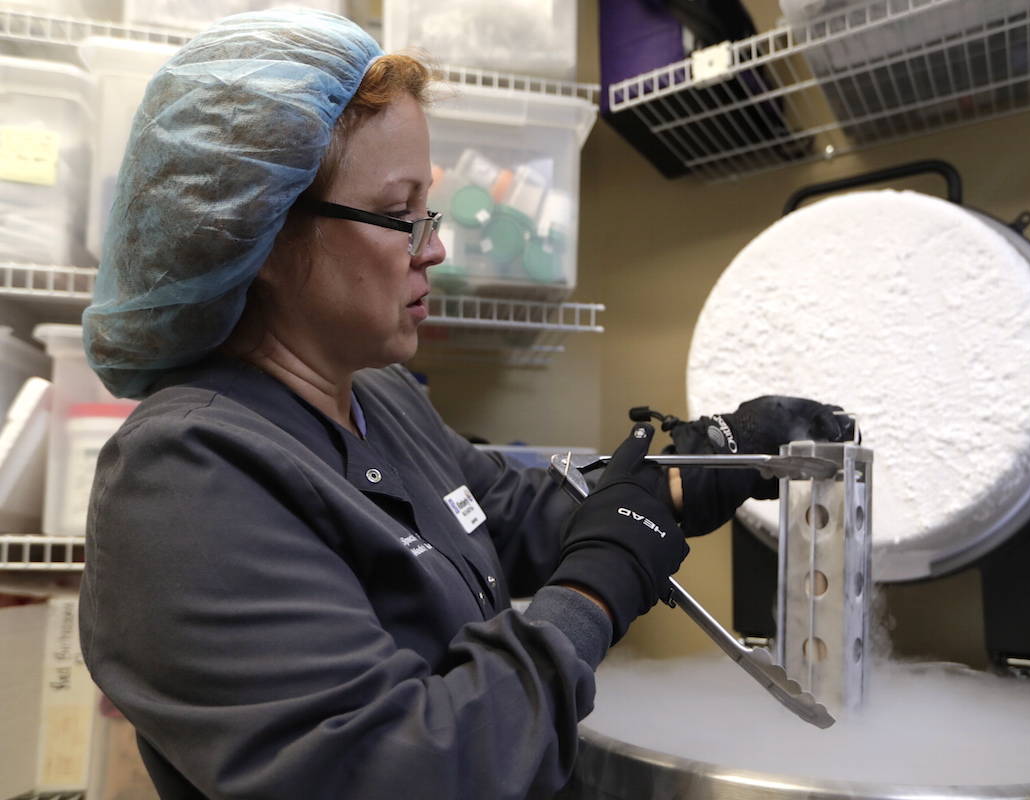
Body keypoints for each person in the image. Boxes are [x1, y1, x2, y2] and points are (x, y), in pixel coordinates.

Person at [77, 9, 851, 799]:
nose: (436, 248)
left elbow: (509, 510)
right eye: (399, 213)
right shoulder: (186, 480)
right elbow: (413, 769)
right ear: (264, 234)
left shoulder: (375, 397)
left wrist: (697, 463)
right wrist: (594, 589)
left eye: (430, 211)